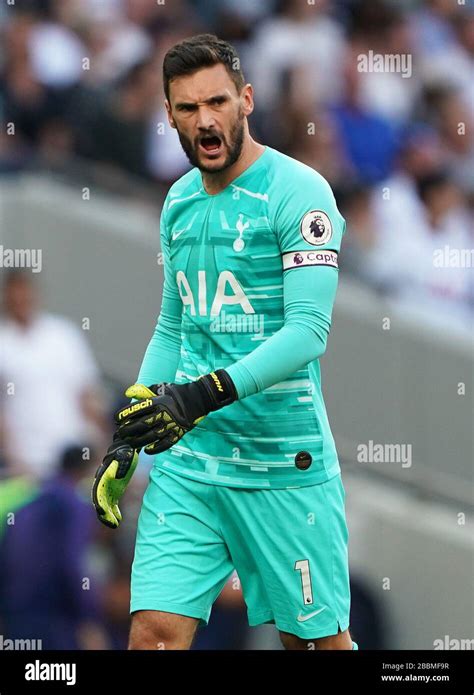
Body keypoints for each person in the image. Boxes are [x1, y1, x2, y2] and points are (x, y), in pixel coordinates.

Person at [92, 34, 358, 651]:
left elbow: (307, 334)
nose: (205, 120)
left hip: (283, 466)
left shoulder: (301, 192)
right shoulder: (178, 201)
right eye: (187, 108)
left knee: (316, 646)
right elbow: (174, 324)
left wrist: (199, 395)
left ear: (246, 101)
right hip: (191, 466)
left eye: (217, 102)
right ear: (170, 116)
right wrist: (128, 434)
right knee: (154, 634)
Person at [0, 271, 106, 479]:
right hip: (29, 464)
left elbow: (87, 396)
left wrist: (102, 450)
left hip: (73, 457)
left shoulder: (63, 334)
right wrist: (14, 460)